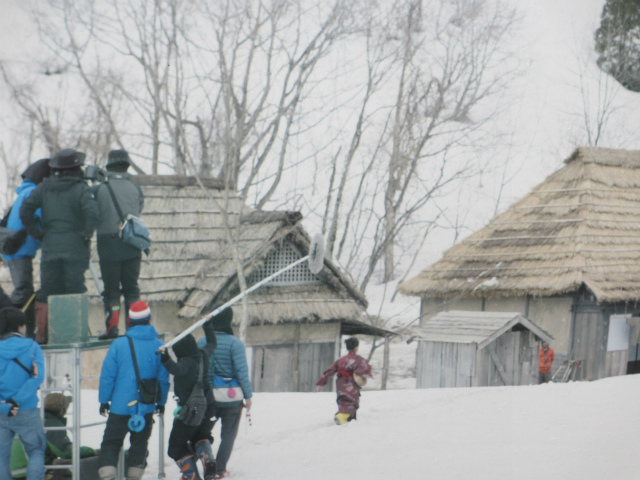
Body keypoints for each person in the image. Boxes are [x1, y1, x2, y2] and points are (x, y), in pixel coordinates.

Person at [20, 148, 99, 344]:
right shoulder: (81, 188)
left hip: (50, 246)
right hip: (75, 247)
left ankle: (41, 335)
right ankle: (73, 335)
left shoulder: (44, 187)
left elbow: (25, 210)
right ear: (76, 168)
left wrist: (38, 233)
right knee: (74, 289)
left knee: (47, 290)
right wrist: (86, 233)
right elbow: (93, 214)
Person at [97, 300, 169, 480]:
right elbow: (164, 379)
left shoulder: (119, 345)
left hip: (120, 406)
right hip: (146, 405)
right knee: (139, 444)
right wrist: (161, 403)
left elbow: (108, 376)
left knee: (111, 443)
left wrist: (104, 400)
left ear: (129, 320)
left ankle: (108, 476)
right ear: (149, 319)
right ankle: (134, 477)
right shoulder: (159, 346)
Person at [93, 150, 145, 340]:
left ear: (109, 167)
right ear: (126, 166)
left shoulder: (98, 190)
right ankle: (134, 329)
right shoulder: (136, 189)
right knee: (132, 288)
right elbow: (139, 210)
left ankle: (112, 329)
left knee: (112, 290)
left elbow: (94, 213)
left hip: (108, 243)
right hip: (132, 241)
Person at [196, 307, 252, 480]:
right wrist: (248, 396)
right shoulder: (235, 343)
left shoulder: (201, 342)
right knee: (228, 435)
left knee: (202, 433)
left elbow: (197, 371)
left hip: (207, 397)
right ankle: (219, 470)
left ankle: (205, 462)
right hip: (231, 399)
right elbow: (242, 372)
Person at [159, 319, 217, 480]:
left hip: (191, 412)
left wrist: (164, 357)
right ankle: (208, 460)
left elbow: (175, 368)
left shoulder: (186, 363)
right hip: (209, 407)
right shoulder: (203, 355)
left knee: (175, 447)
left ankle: (192, 477)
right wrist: (208, 325)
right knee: (200, 436)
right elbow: (212, 342)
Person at [1, 158, 51, 338]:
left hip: (15, 250)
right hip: (21, 251)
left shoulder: (23, 192)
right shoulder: (33, 193)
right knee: (23, 292)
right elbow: (42, 216)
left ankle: (24, 331)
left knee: (26, 292)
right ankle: (8, 326)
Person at [0, 307, 46, 480]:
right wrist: (17, 401)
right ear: (20, 326)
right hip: (27, 410)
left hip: (2, 412)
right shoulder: (32, 347)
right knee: (35, 451)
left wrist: (5, 405)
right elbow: (37, 376)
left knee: (1, 457)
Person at [11, 392, 100, 480]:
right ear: (62, 409)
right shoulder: (51, 423)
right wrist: (93, 451)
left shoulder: (33, 416)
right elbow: (65, 452)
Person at [315, 337, 372, 425]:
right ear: (356, 348)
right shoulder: (359, 360)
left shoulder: (340, 360)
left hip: (340, 384)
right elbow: (365, 369)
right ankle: (341, 418)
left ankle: (346, 421)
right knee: (352, 403)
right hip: (351, 384)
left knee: (342, 402)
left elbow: (330, 371)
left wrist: (321, 383)